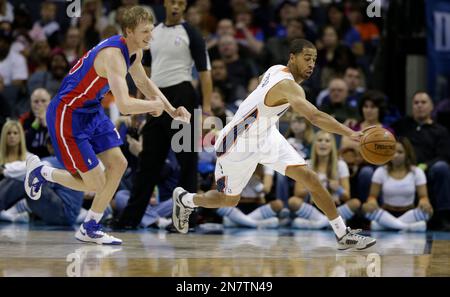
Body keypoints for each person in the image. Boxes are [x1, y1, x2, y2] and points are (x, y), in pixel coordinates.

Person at [173, 38, 376, 250]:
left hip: (267, 136)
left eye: (314, 60)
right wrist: (350, 133)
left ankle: (342, 234)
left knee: (310, 178)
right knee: (228, 200)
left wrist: (265, 108)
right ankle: (187, 199)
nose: (311, 64)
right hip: (238, 144)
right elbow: (314, 117)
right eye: (307, 59)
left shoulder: (276, 69)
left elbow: (262, 80)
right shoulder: (289, 86)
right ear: (292, 58)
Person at [23, 6, 190, 245]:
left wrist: (171, 109)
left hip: (91, 110)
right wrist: (155, 106)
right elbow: (124, 105)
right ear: (128, 31)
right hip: (68, 114)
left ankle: (90, 226)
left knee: (119, 163)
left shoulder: (134, 52)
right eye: (144, 32)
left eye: (151, 30)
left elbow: (143, 81)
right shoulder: (113, 55)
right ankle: (42, 172)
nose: (150, 36)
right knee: (94, 182)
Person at [116, 0, 212, 229]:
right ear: (166, 4)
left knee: (187, 161)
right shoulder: (153, 32)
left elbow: (205, 73)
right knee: (148, 162)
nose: (176, 6)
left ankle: (187, 220)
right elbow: (144, 72)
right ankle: (130, 219)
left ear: (185, 6)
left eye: (180, 3)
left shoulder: (193, 33)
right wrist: (140, 104)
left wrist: (207, 111)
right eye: (173, 2)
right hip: (156, 100)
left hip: (184, 96)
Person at [362, 137, 433, 232]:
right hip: (387, 212)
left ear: (407, 154)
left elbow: (423, 196)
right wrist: (371, 202)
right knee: (365, 208)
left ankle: (390, 226)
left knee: (428, 212)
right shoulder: (381, 171)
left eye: (400, 152)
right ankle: (405, 227)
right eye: (392, 152)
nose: (395, 155)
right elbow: (372, 196)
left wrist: (424, 202)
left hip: (409, 214)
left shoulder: (417, 172)